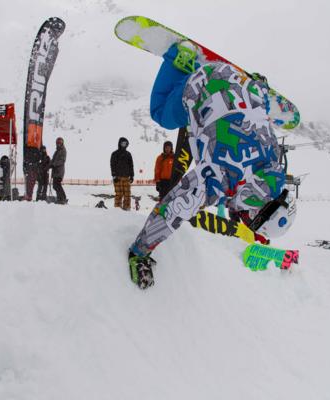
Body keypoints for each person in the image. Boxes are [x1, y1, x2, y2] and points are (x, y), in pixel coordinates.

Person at [127, 42, 294, 289]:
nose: (240, 221)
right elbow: (172, 210)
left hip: (243, 86)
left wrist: (259, 87)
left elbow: (259, 123)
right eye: (247, 222)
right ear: (251, 214)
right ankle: (179, 62)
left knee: (251, 119)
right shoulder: (220, 183)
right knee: (161, 114)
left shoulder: (273, 161)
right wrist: (139, 252)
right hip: (199, 84)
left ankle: (253, 84)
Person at [110, 137, 134, 210]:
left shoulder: (128, 154)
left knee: (127, 195)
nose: (124, 145)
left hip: (126, 177)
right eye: (122, 143)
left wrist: (132, 175)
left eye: (125, 143)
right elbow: (112, 165)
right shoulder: (114, 154)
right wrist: (114, 176)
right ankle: (117, 209)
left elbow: (131, 165)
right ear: (119, 144)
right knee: (119, 194)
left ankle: (127, 208)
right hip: (118, 177)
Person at [50, 137, 67, 204]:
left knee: (57, 184)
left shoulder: (63, 150)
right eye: (57, 143)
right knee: (55, 185)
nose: (58, 144)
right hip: (55, 171)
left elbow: (62, 160)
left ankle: (63, 197)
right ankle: (59, 197)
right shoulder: (57, 151)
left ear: (62, 143)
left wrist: (54, 164)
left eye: (59, 143)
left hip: (59, 171)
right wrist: (49, 165)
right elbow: (53, 160)